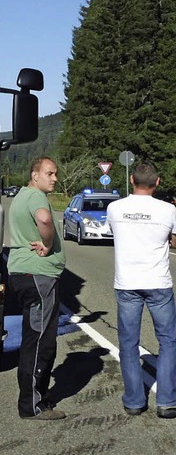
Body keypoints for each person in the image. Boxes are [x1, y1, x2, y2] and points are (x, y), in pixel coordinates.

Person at [105, 162, 176, 418]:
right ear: (157, 183)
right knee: (168, 341)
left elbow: (113, 232)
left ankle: (135, 401)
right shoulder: (169, 210)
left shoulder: (115, 208)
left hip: (128, 283)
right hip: (158, 282)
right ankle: (167, 401)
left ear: (131, 180)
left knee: (128, 343)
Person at [7, 156, 66, 420]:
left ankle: (37, 396)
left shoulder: (21, 196)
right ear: (35, 175)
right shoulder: (36, 198)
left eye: (55, 174)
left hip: (24, 273)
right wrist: (49, 244)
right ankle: (32, 405)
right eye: (50, 173)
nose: (54, 178)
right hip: (37, 275)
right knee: (40, 341)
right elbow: (44, 220)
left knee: (37, 337)